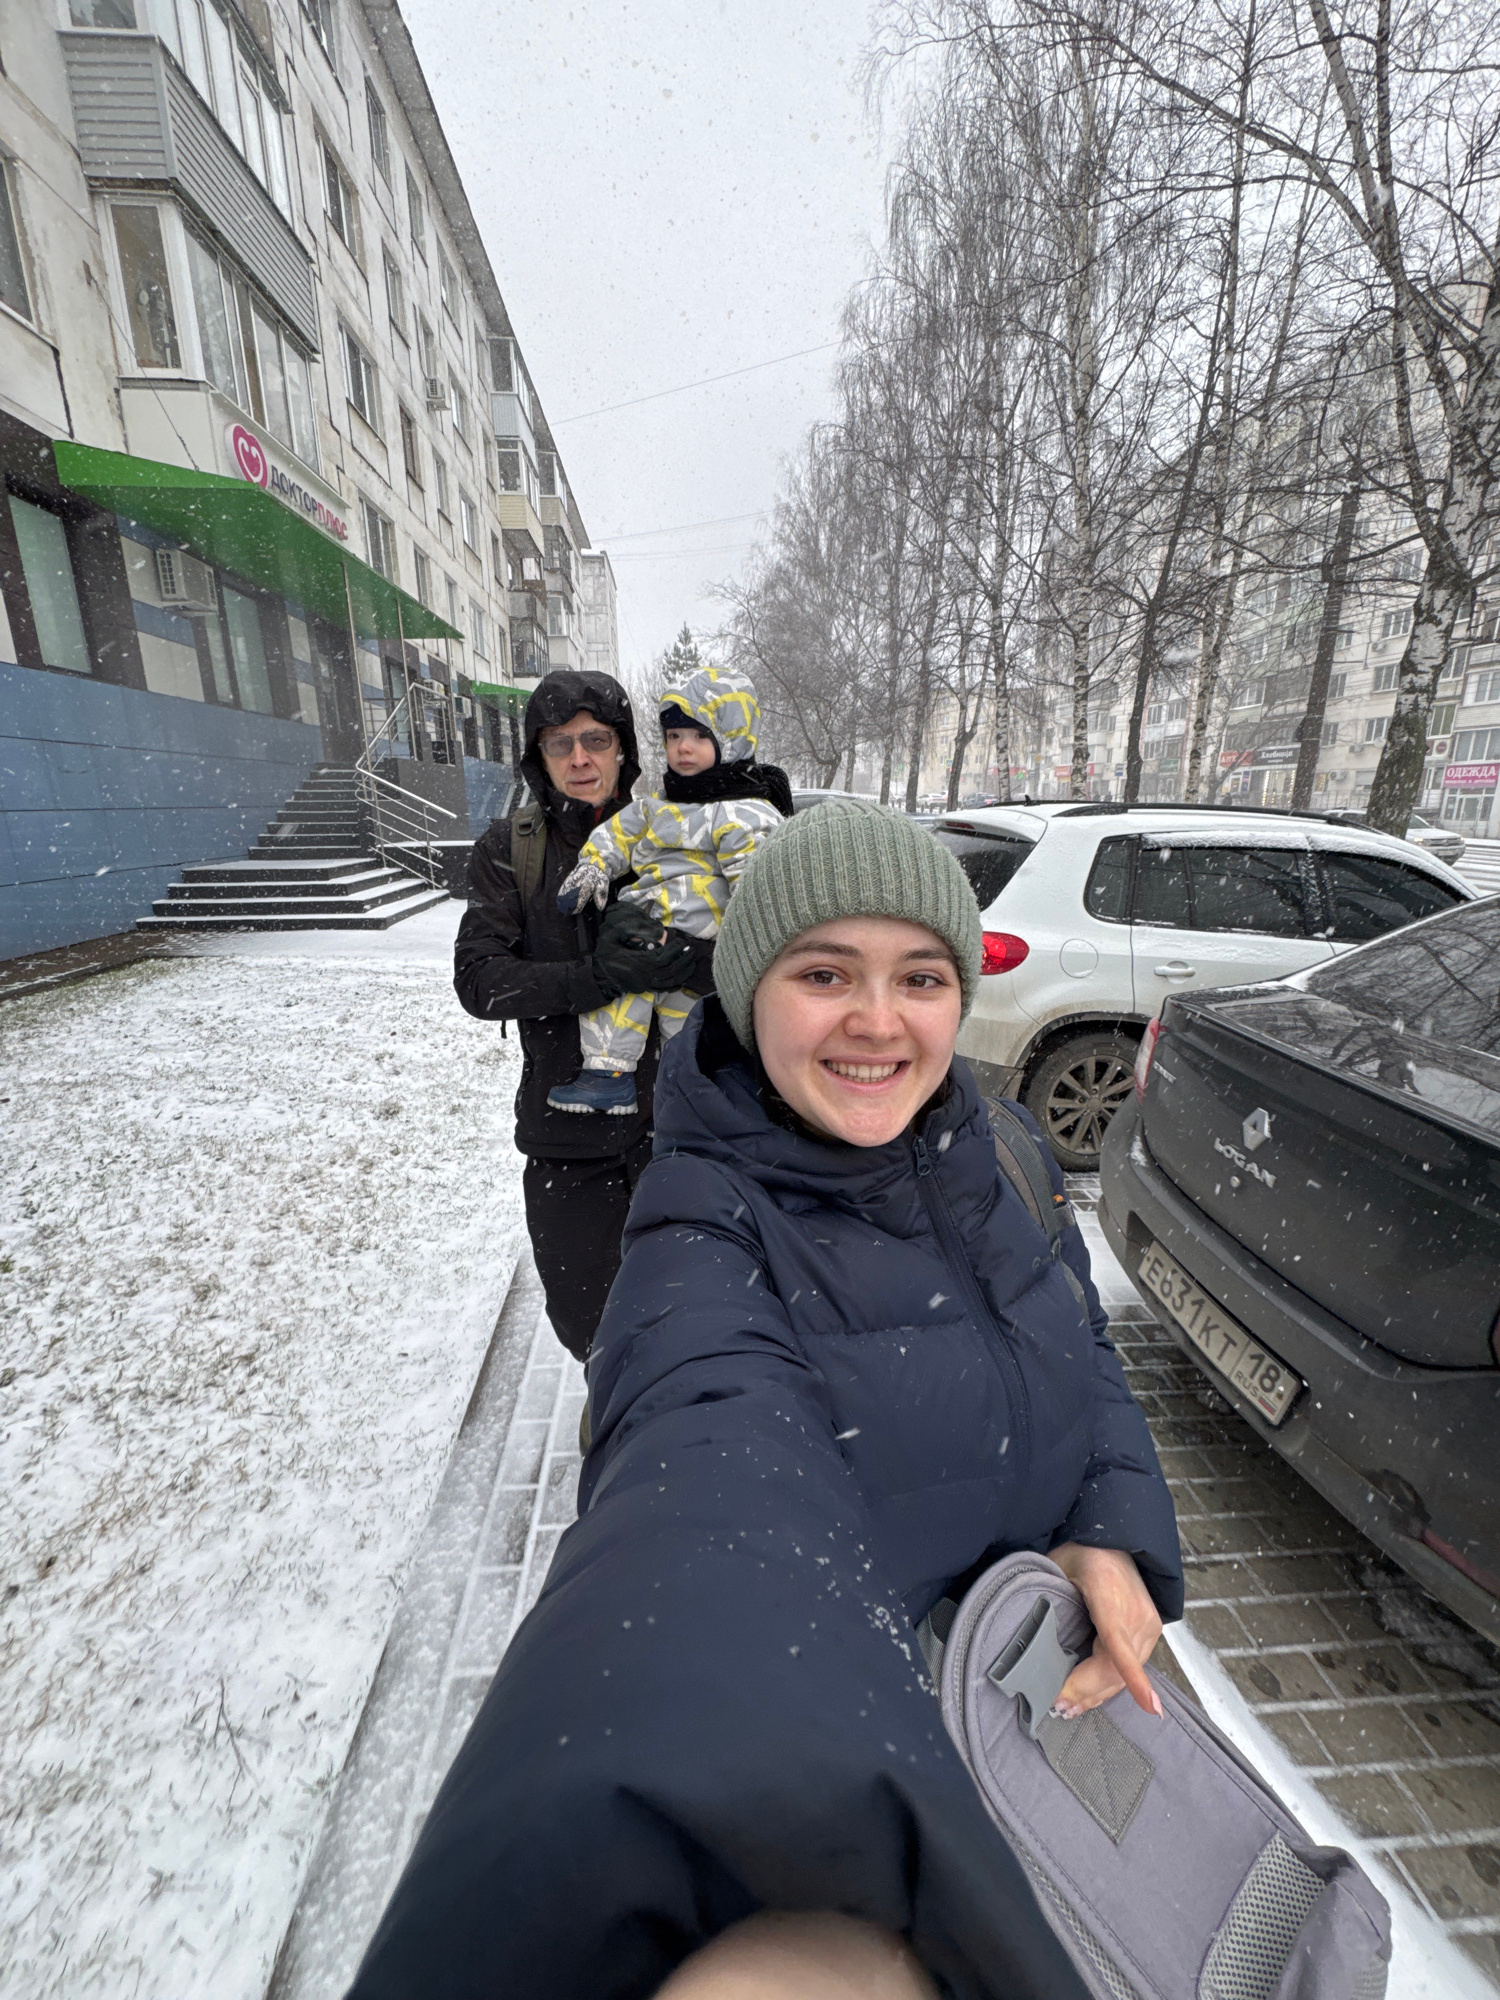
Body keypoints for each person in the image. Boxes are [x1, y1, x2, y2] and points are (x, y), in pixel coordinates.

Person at [360, 799, 1183, 2000]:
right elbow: (701, 1492)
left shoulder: (1001, 1145)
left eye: (920, 976)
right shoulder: (704, 1229)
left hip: (1052, 1714)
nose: (878, 1019)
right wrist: (775, 1889)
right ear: (750, 993)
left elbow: (1079, 1338)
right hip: (913, 1773)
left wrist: (1110, 1522)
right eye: (824, 972)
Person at [453, 669, 708, 1361]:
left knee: (694, 1327)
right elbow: (480, 982)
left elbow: (754, 967)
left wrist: (685, 959)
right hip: (567, 1147)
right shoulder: (511, 851)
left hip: (684, 1137)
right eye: (558, 743)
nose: (580, 758)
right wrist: (595, 978)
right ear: (537, 757)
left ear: (624, 748)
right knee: (593, 1332)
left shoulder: (676, 834)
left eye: (596, 739)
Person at [547, 663, 790, 1117]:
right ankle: (608, 1076)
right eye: (674, 735)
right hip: (643, 927)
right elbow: (618, 833)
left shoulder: (743, 811)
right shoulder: (658, 805)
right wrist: (594, 865)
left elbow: (757, 888)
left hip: (703, 942)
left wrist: (743, 946)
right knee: (619, 993)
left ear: (731, 738)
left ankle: (689, 1111)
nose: (683, 747)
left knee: (691, 1032)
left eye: (699, 735)